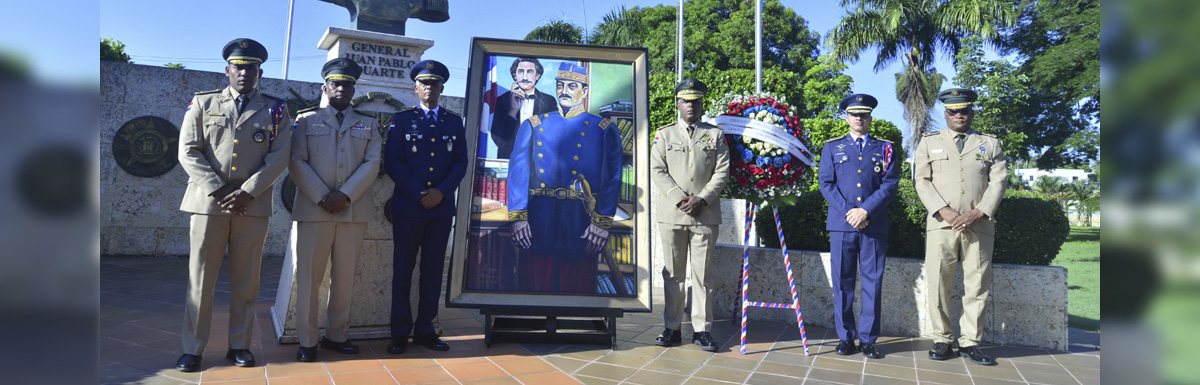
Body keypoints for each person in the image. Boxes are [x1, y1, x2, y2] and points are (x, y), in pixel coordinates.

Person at [175, 38, 292, 372]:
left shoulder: (276, 109)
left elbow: (278, 157)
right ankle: (192, 348)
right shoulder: (203, 102)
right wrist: (218, 189)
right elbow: (188, 150)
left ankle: (239, 345)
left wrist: (247, 191)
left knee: (247, 280)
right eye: (238, 66)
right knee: (200, 280)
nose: (244, 72)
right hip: (208, 205)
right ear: (227, 70)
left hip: (251, 208)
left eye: (251, 67)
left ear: (260, 72)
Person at [288, 58, 381, 362]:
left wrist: (344, 195)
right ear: (325, 87)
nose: (342, 88)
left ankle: (336, 335)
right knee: (309, 279)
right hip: (315, 212)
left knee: (344, 278)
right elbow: (296, 161)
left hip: (352, 212)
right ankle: (307, 339)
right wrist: (321, 196)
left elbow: (372, 164)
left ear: (354, 89)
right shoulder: (304, 120)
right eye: (336, 83)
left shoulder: (369, 124)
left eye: (347, 84)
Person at [507, 62, 623, 293]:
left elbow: (612, 179)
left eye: (572, 85)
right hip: (540, 214)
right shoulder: (534, 125)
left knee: (577, 282)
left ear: (585, 91)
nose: (564, 91)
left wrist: (601, 222)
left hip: (579, 216)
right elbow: (518, 173)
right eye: (560, 85)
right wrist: (518, 217)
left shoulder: (603, 128)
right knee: (536, 281)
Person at [914, 88, 1007, 366]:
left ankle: (970, 342)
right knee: (938, 283)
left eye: (964, 110)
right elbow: (922, 180)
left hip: (978, 226)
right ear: (945, 113)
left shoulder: (989, 144)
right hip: (942, 225)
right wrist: (944, 210)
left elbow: (998, 181)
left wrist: (978, 212)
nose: (959, 115)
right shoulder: (929, 142)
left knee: (977, 285)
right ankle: (942, 339)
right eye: (953, 111)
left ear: (971, 112)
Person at [383, 59, 467, 354]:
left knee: (432, 272)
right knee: (403, 271)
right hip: (409, 207)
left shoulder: (454, 122)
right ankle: (399, 331)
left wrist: (441, 192)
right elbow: (393, 161)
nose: (429, 87)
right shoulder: (402, 120)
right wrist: (420, 192)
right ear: (415, 87)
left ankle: (426, 329)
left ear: (442, 87)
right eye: (424, 83)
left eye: (434, 83)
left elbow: (460, 163)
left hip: (440, 210)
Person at [649, 79, 729, 352]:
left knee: (702, 276)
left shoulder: (715, 135)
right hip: (673, 214)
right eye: (686, 101)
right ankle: (671, 328)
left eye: (695, 101)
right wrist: (679, 198)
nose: (691, 105)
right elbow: (657, 169)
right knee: (672, 274)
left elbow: (722, 171)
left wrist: (703, 199)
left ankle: (702, 330)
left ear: (701, 103)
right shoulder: (664, 135)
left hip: (705, 216)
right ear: (678, 104)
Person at [817, 94, 899, 359]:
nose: (859, 118)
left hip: (873, 226)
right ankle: (845, 337)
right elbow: (826, 184)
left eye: (864, 114)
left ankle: (868, 339)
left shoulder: (885, 148)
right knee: (842, 283)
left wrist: (866, 211)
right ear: (846, 117)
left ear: (870, 117)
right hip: (842, 226)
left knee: (873, 283)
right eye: (854, 114)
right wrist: (850, 212)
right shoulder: (832, 147)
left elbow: (890, 183)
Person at [490, 57, 557, 159]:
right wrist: (513, 110)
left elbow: (553, 135)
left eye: (530, 72)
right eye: (520, 72)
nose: (525, 77)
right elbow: (498, 139)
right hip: (509, 160)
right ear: (515, 76)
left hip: (538, 162)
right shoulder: (502, 100)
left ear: (538, 75)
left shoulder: (549, 101)